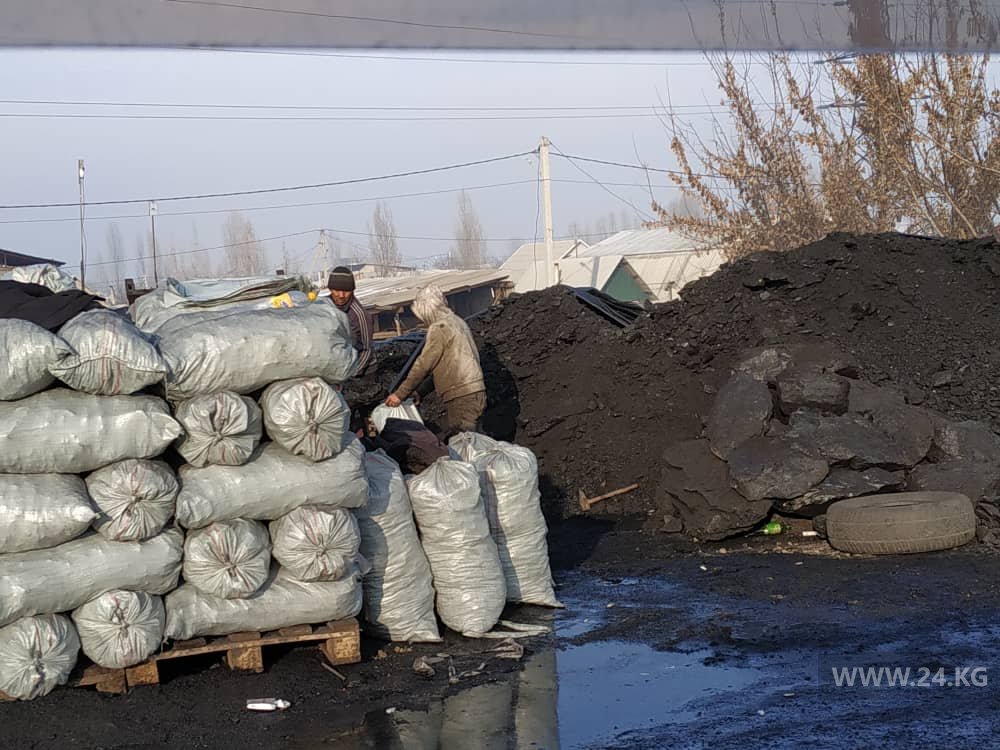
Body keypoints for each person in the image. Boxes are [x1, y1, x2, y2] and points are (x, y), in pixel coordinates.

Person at [386, 284, 486, 437]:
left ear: (426, 310)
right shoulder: (457, 322)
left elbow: (423, 365)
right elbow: (444, 367)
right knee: (475, 440)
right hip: (474, 391)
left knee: (465, 443)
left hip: (461, 395)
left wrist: (400, 394)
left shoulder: (439, 328)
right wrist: (421, 391)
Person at [327, 266, 372, 375]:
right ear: (330, 289)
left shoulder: (359, 315)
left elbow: (366, 350)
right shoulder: (324, 308)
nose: (341, 295)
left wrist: (351, 374)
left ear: (352, 291)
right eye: (337, 290)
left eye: (346, 291)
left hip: (360, 371)